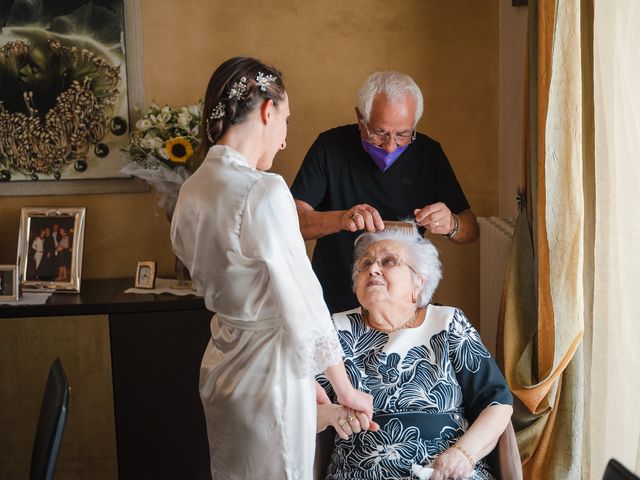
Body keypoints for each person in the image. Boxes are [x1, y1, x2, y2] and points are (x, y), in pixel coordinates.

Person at [170, 57, 375, 480]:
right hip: (269, 380)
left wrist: (307, 380)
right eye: (286, 120)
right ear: (267, 110)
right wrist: (345, 388)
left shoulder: (191, 189)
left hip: (222, 368)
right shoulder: (263, 190)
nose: (283, 141)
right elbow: (302, 302)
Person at [315, 223, 512, 480]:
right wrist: (332, 414)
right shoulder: (334, 329)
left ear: (418, 282)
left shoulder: (447, 322)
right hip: (360, 472)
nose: (373, 269)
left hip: (446, 471)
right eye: (365, 264)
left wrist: (463, 455)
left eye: (388, 261)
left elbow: (497, 403)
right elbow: (298, 409)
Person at [291, 71, 480, 314]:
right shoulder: (330, 147)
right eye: (379, 133)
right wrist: (340, 219)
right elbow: (291, 221)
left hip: (402, 303)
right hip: (335, 299)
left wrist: (451, 224)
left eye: (403, 134)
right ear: (361, 118)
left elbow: (471, 229)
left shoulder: (429, 154)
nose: (390, 145)